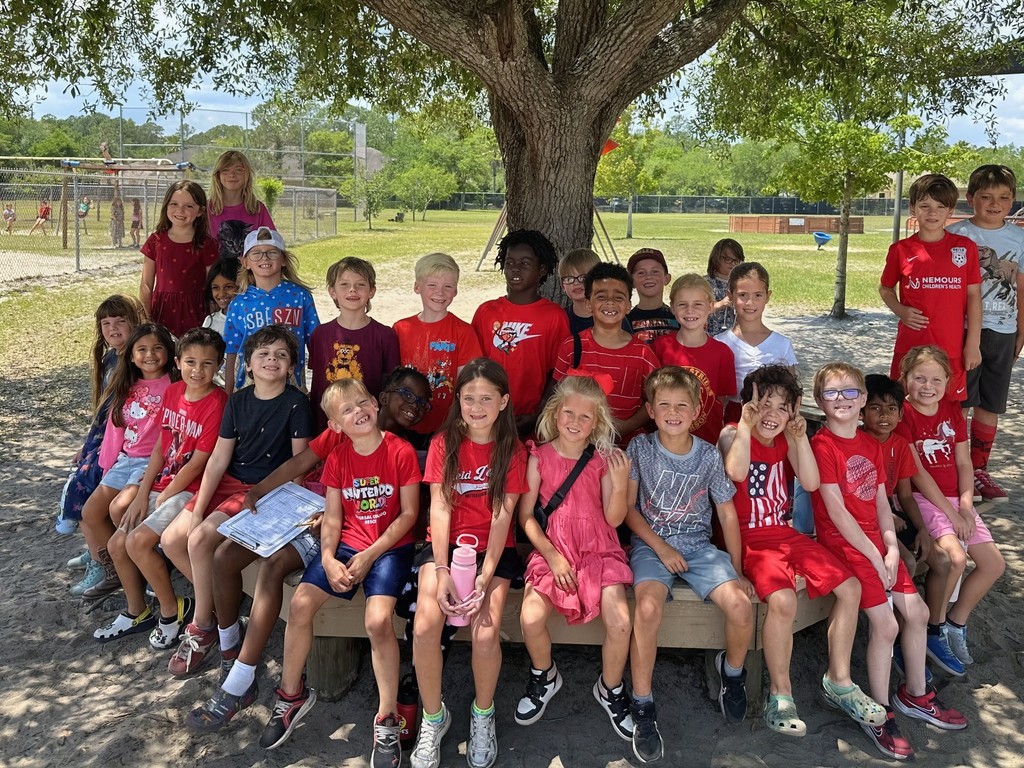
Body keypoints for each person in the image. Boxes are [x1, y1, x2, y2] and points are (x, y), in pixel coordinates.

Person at [186, 366, 432, 732]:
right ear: (383, 397)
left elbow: (407, 513)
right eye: (404, 395)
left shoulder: (402, 449)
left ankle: (242, 678)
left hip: (349, 533)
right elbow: (302, 463)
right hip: (315, 515)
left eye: (421, 401)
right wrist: (260, 489)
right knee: (223, 556)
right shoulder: (341, 442)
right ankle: (231, 654)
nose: (412, 405)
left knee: (274, 568)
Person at [258, 379, 420, 764]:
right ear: (335, 424)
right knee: (299, 605)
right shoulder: (338, 459)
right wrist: (329, 558)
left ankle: (386, 719)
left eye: (362, 402)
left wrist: (369, 556)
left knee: (378, 621)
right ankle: (291, 694)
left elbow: (410, 514)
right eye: (346, 410)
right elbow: (332, 518)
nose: (357, 412)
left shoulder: (400, 451)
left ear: (376, 405)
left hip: (388, 548)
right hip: (345, 545)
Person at [810, 361, 966, 761]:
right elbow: (838, 512)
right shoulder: (823, 445)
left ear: (862, 400)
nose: (842, 400)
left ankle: (915, 694)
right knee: (886, 622)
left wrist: (892, 546)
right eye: (832, 393)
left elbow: (881, 501)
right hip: (845, 544)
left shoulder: (872, 444)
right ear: (820, 401)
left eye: (850, 392)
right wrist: (874, 554)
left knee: (915, 612)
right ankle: (879, 712)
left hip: (878, 543)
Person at [719, 365, 885, 739]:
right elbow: (736, 472)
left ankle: (839, 681)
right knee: (782, 600)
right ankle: (780, 694)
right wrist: (746, 426)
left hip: (785, 534)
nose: (771, 415)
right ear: (748, 405)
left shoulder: (788, 438)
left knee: (851, 587)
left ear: (794, 410)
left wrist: (798, 439)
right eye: (763, 405)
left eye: (783, 407)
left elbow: (810, 481)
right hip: (750, 539)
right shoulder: (733, 434)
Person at [160, 325, 313, 675]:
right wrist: (199, 508)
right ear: (247, 363)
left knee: (200, 540)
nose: (271, 360)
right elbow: (217, 458)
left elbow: (298, 466)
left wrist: (282, 513)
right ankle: (214, 619)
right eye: (263, 354)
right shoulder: (238, 401)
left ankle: (203, 627)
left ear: (291, 367)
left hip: (266, 490)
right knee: (173, 538)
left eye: (281, 355)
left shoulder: (296, 404)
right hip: (229, 484)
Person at [624, 367, 754, 763]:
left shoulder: (709, 454)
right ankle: (643, 702)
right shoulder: (640, 449)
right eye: (663, 404)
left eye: (683, 405)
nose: (673, 412)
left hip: (698, 546)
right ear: (650, 409)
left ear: (697, 410)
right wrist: (661, 548)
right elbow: (628, 510)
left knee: (741, 606)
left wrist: (737, 567)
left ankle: (731, 674)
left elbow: (726, 513)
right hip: (651, 545)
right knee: (646, 608)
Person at [409, 359, 528, 768]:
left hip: (492, 553)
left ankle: (482, 713)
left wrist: (484, 578)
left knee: (485, 631)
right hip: (444, 549)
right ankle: (433, 716)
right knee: (425, 626)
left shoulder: (512, 449)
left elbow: (502, 517)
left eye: (486, 398)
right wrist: (441, 571)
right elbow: (438, 510)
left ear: (503, 402)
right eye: (468, 398)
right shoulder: (445, 443)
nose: (477, 407)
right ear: (457, 399)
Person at [515, 376, 634, 739]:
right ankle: (544, 674)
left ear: (596, 423)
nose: (575, 422)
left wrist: (622, 480)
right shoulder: (539, 457)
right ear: (556, 412)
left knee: (620, 622)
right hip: (554, 550)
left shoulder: (602, 461)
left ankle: (610, 687)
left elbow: (614, 519)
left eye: (586, 417)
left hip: (600, 549)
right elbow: (526, 519)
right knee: (531, 617)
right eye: (569, 412)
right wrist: (552, 557)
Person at [91, 328, 227, 643]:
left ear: (219, 366)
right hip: (164, 481)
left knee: (136, 542)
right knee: (115, 544)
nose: (198, 370)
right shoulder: (173, 392)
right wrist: (143, 491)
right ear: (178, 362)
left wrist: (163, 494)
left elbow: (199, 462)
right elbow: (161, 447)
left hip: (190, 488)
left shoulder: (218, 403)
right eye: (191, 362)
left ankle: (173, 611)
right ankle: (136, 611)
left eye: (207, 364)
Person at [895, 346, 1005, 673]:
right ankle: (933, 629)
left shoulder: (952, 411)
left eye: (936, 379)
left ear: (948, 381)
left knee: (993, 564)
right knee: (955, 558)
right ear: (905, 380)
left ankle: (955, 623)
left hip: (958, 500)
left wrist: (967, 505)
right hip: (926, 500)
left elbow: (963, 462)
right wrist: (953, 513)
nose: (927, 386)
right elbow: (919, 475)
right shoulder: (905, 416)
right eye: (919, 378)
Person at [860, 373, 953, 682]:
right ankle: (898, 639)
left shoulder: (899, 444)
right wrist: (888, 516)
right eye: (875, 408)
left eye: (891, 408)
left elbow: (904, 494)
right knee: (908, 562)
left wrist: (923, 529)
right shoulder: (857, 442)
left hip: (895, 512)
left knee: (941, 559)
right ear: (862, 410)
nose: (884, 415)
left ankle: (933, 631)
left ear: (901, 413)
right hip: (869, 519)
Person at [77, 324, 176, 600]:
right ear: (131, 356)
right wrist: (107, 469)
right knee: (91, 513)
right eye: (141, 349)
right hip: (125, 461)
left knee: (121, 509)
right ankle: (117, 572)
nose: (150, 355)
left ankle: (149, 568)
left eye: (157, 348)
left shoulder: (175, 386)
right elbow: (115, 429)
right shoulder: (126, 385)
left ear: (168, 352)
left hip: (152, 461)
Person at [946, 164, 1024, 502]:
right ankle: (952, 468)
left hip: (1003, 330)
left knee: (990, 403)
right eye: (986, 197)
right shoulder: (959, 236)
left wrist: (1022, 331)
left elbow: (1021, 287)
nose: (995, 204)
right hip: (962, 331)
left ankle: (978, 469)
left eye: (1004, 198)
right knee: (959, 401)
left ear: (1013, 201)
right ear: (970, 199)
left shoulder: (1019, 239)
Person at [879, 173, 982, 405]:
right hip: (911, 345)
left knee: (950, 411)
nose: (932, 213)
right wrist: (901, 311)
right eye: (924, 206)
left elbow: (974, 296)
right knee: (904, 407)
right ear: (912, 208)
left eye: (940, 206)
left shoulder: (965, 248)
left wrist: (972, 343)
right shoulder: (901, 250)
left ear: (950, 210)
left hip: (951, 346)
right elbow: (885, 288)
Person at [60, 295, 147, 543]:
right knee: (80, 482)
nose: (113, 329)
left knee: (86, 491)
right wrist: (86, 446)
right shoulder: (110, 358)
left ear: (134, 322)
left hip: (124, 444)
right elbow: (102, 412)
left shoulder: (137, 362)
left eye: (120, 321)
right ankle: (96, 553)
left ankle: (102, 559)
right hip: (103, 439)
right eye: (106, 323)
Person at [471, 230, 569, 438]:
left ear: (541, 269)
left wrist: (539, 412)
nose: (515, 269)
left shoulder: (554, 316)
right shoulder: (486, 312)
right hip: (488, 417)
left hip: (532, 419)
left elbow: (559, 372)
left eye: (525, 263)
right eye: (509, 262)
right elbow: (475, 368)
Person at [552, 262, 658, 445]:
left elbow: (655, 399)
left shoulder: (642, 353)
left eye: (618, 297)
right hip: (578, 448)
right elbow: (559, 396)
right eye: (601, 296)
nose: (610, 302)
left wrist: (627, 426)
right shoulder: (571, 347)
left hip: (625, 448)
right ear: (588, 304)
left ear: (628, 306)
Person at [394, 252, 482, 437]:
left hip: (446, 426)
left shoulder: (463, 332)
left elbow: (468, 383)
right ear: (417, 287)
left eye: (447, 286)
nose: (440, 293)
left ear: (456, 291)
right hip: (404, 424)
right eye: (432, 285)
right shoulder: (401, 328)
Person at [221, 227, 319, 394]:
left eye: (272, 252)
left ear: (283, 260)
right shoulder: (239, 303)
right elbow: (232, 351)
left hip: (290, 382)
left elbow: (316, 344)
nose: (264, 257)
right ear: (245, 262)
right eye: (256, 253)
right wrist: (229, 393)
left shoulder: (300, 296)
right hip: (249, 385)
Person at [308, 257, 399, 432]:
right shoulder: (320, 334)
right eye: (344, 284)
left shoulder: (385, 335)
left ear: (371, 291)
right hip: (328, 426)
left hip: (367, 426)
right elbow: (318, 384)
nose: (352, 289)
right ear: (332, 292)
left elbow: (389, 388)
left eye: (360, 285)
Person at [654, 274, 736, 444]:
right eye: (682, 305)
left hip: (706, 442)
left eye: (698, 304)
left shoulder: (722, 353)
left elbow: (720, 399)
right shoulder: (660, 347)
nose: (690, 311)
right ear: (672, 308)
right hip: (665, 441)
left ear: (711, 307)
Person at [715, 262, 797, 425]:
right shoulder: (720, 343)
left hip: (772, 421)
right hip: (734, 419)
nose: (750, 302)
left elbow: (790, 393)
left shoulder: (782, 344)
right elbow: (718, 398)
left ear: (768, 296)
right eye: (743, 295)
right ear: (730, 296)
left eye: (757, 295)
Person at [139, 180, 220, 338]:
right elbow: (146, 284)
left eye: (189, 206)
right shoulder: (156, 241)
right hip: (161, 312)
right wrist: (145, 317)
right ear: (166, 206)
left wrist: (213, 317)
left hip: (196, 312)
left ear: (200, 211)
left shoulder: (206, 244)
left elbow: (213, 284)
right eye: (174, 204)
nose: (180, 210)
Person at [207, 150, 275, 260]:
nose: (232, 174)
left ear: (247, 174)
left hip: (250, 274)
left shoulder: (257, 209)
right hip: (213, 274)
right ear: (217, 175)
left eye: (239, 170)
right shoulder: (206, 209)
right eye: (225, 170)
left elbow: (271, 246)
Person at [625, 248, 678, 344]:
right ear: (631, 282)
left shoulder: (678, 316)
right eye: (641, 273)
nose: (648, 277)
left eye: (655, 271)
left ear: (667, 278)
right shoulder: (626, 320)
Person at [201, 258, 239, 387]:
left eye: (229, 287)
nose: (221, 293)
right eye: (216, 288)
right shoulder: (210, 321)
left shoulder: (250, 321)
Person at [705, 238, 745, 337]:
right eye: (728, 259)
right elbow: (696, 309)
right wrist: (720, 304)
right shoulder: (704, 284)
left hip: (735, 337)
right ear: (716, 258)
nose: (733, 263)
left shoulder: (743, 284)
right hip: (710, 337)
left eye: (737, 260)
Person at [558, 248, 601, 335]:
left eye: (583, 278)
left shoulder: (612, 316)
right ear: (563, 285)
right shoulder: (559, 319)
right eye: (569, 278)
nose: (576, 283)